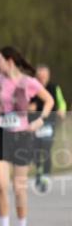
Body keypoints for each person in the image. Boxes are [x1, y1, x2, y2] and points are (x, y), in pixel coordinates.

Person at [0, 46, 54, 226]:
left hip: (22, 135)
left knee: (19, 187)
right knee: (0, 184)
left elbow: (49, 101)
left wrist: (40, 120)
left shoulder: (29, 82)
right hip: (1, 133)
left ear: (9, 61)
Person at [30, 65, 66, 193]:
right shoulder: (31, 89)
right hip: (33, 124)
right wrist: (29, 107)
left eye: (44, 77)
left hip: (48, 123)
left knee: (46, 147)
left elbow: (61, 102)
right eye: (39, 77)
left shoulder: (54, 88)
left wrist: (61, 110)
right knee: (35, 151)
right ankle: (39, 169)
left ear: (48, 77)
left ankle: (45, 175)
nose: (42, 79)